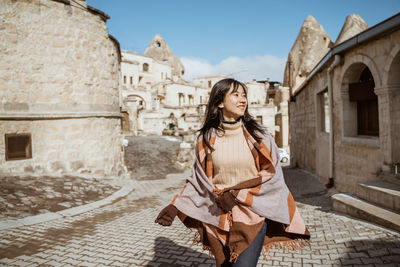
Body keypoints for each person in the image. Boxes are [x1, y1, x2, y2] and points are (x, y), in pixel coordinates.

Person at [155, 78, 310, 266]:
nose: (242, 100)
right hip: (218, 214)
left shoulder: (259, 135)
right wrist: (176, 205)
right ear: (220, 102)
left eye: (244, 95)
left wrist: (237, 195)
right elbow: (199, 179)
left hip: (253, 214)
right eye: (235, 95)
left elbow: (272, 175)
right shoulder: (206, 139)